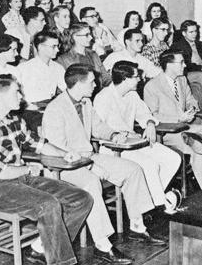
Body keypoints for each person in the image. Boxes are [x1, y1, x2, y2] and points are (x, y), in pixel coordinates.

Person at [0, 74, 93, 265]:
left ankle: (38, 247)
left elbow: (39, 144)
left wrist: (66, 154)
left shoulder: (14, 121)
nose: (21, 96)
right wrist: (27, 169)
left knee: (82, 198)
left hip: (22, 180)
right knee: (48, 204)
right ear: (3, 95)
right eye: (17, 91)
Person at [42, 63, 166, 253]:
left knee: (133, 170)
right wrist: (90, 167)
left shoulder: (85, 102)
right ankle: (103, 244)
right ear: (78, 84)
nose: (95, 85)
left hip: (89, 156)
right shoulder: (55, 108)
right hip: (65, 167)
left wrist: (113, 135)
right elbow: (58, 148)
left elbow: (98, 126)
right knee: (92, 183)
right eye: (91, 82)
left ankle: (137, 226)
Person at [94, 61, 181, 212]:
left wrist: (149, 124)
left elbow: (144, 114)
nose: (140, 79)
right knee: (150, 164)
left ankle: (151, 199)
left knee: (173, 159)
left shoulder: (132, 95)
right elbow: (97, 128)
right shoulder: (103, 97)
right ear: (125, 79)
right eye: (136, 76)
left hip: (134, 142)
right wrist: (115, 136)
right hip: (112, 148)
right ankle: (160, 205)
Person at [144, 50, 202, 189]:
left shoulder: (182, 80)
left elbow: (191, 100)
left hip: (188, 128)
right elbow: (153, 116)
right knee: (200, 150)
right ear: (169, 64)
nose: (185, 65)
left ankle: (196, 138)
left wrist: (191, 109)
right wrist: (178, 118)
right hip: (168, 132)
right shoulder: (152, 86)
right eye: (181, 62)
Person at [170, 20, 202, 106]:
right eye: (191, 32)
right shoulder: (177, 46)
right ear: (184, 33)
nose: (194, 34)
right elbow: (184, 65)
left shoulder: (201, 45)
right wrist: (200, 67)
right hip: (187, 74)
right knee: (200, 76)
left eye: (195, 31)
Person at [18, 31, 66, 104]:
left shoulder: (58, 68)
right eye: (53, 46)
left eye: (58, 46)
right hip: (31, 110)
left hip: (51, 107)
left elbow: (66, 89)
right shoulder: (25, 68)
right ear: (40, 47)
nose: (57, 50)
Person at [57, 22, 109, 89]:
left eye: (90, 34)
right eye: (87, 35)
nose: (90, 38)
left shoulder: (93, 54)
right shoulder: (63, 60)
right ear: (75, 37)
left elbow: (105, 77)